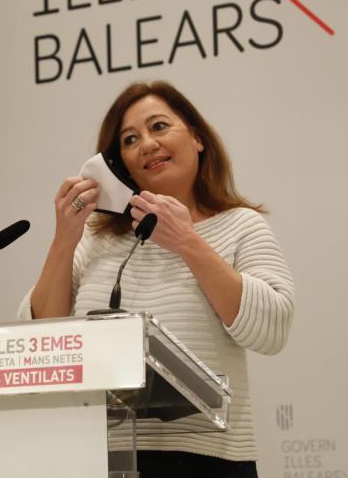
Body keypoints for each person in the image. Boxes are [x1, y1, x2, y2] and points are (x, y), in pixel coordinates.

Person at [17, 81, 294, 477]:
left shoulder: (241, 226)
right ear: (120, 165)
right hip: (100, 459)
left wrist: (187, 241)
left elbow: (272, 330)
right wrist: (65, 238)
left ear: (197, 138)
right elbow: (41, 341)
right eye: (130, 140)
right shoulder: (96, 240)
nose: (146, 144)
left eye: (159, 126)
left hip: (207, 462)